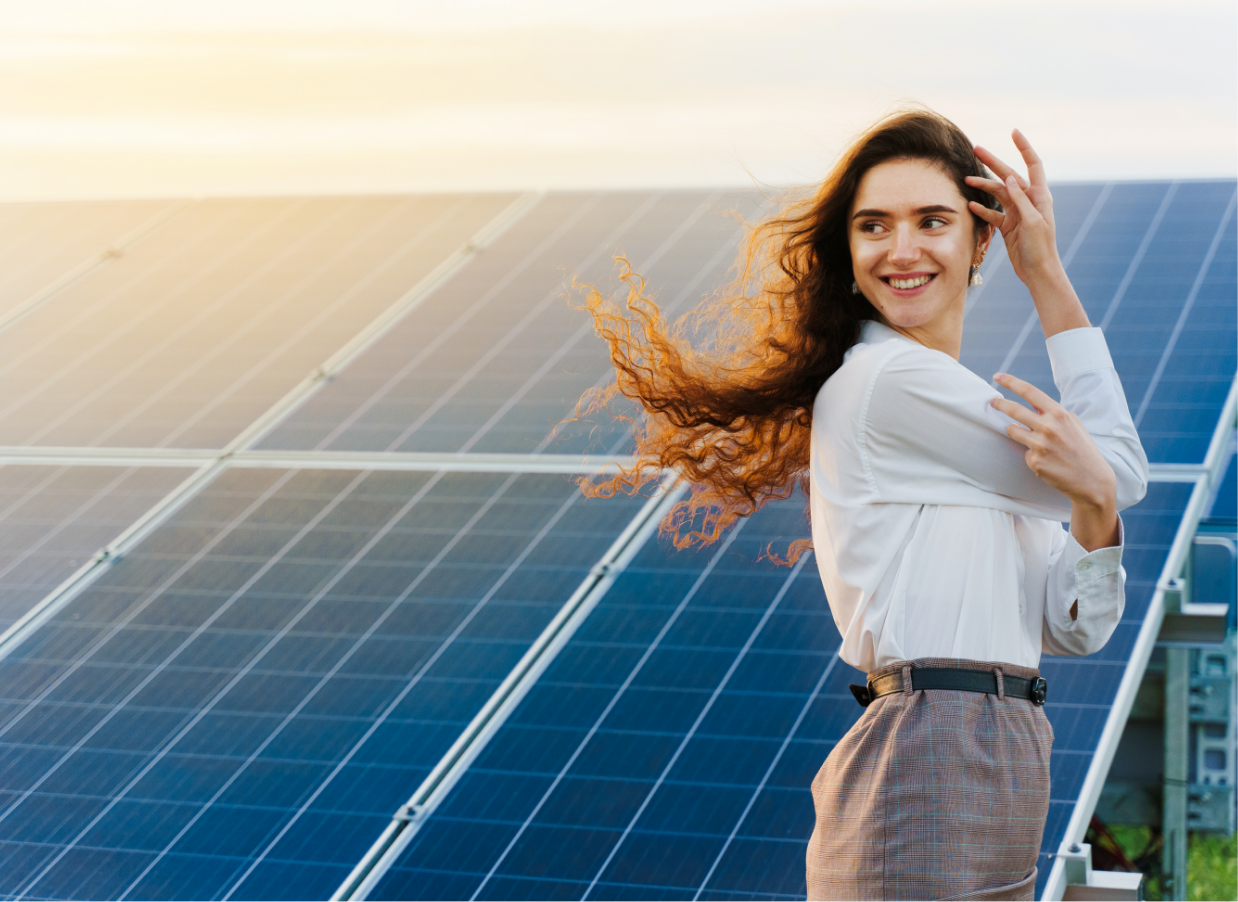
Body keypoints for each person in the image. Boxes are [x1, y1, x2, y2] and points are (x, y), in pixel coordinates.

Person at [576, 108, 1147, 901]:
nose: (902, 249)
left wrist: (1092, 504)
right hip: (930, 752)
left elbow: (1074, 623)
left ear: (982, 241)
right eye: (874, 225)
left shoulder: (961, 431)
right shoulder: (888, 384)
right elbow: (1121, 467)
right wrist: (1046, 273)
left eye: (933, 221)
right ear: (848, 253)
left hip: (1007, 751)